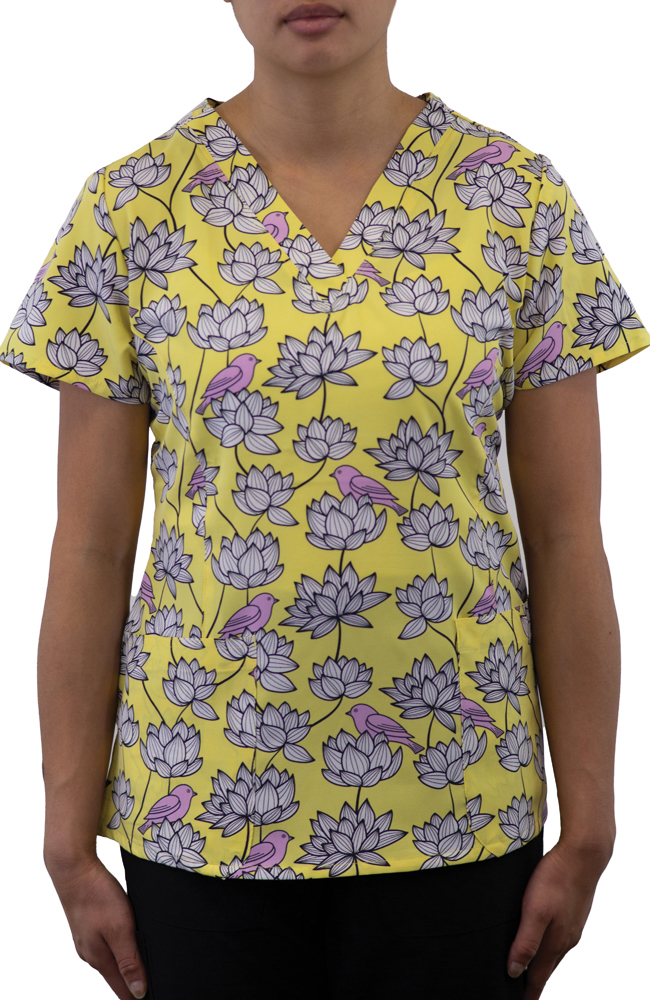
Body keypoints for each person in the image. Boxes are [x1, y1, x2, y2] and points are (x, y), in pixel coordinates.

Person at [1, 1, 648, 998]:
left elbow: (567, 536)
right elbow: (89, 545)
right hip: (201, 812)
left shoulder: (516, 200)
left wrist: (592, 822)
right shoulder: (131, 209)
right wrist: (63, 834)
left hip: (461, 808)